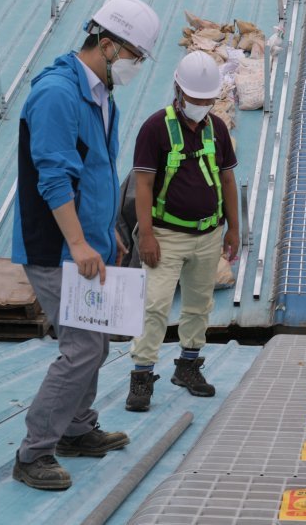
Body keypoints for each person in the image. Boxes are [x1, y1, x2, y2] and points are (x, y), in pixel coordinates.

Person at [10, 0, 160, 491]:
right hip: (54, 248)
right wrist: (77, 243)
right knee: (80, 349)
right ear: (110, 45)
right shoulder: (56, 93)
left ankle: (76, 428)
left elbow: (95, 175)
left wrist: (107, 234)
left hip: (86, 244)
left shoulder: (101, 96)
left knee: (94, 343)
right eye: (136, 55)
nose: (137, 66)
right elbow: (53, 177)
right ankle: (34, 453)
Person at [126, 50, 240, 411]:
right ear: (178, 90)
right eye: (196, 98)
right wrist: (146, 235)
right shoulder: (155, 128)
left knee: (198, 305)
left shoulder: (216, 128)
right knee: (155, 306)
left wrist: (234, 227)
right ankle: (142, 377)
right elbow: (142, 185)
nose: (202, 105)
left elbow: (227, 179)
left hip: (207, 235)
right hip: (166, 236)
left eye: (208, 99)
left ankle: (188, 366)